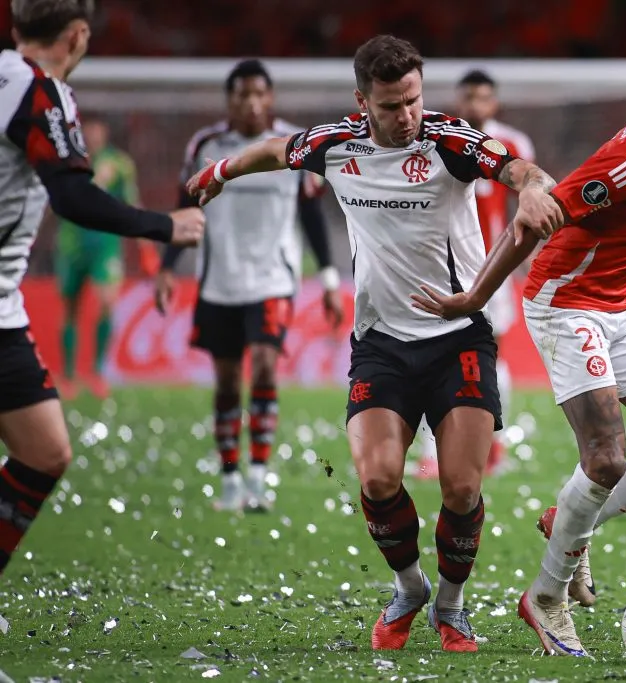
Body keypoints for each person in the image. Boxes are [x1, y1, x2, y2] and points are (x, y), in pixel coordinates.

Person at [183, 35, 561, 653]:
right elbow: (276, 150)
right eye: (390, 105)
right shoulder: (336, 145)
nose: (406, 115)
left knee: (463, 487)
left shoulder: (450, 140)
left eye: (413, 99)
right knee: (379, 478)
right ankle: (409, 588)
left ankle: (452, 604)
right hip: (381, 343)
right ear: (363, 102)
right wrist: (219, 171)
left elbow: (517, 167)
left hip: (458, 336)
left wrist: (535, 187)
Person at [411, 53, 626, 655]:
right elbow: (532, 223)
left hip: (624, 304)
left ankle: (571, 522)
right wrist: (473, 297)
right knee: (605, 461)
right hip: (565, 301)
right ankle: (545, 599)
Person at [0, 0, 203, 645]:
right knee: (43, 452)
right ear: (80, 35)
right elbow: (73, 195)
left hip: (4, 312)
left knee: (45, 450)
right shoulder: (42, 93)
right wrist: (163, 224)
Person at [156, 59, 344, 513]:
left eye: (260, 94)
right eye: (243, 95)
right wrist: (166, 266)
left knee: (262, 366)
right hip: (218, 280)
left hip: (273, 280)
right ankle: (229, 479)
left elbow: (311, 214)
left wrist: (329, 279)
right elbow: (185, 206)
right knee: (225, 381)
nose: (252, 103)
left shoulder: (294, 146)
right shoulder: (206, 144)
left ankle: (258, 479)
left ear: (271, 97)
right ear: (230, 100)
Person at [416, 69, 537, 479]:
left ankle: (493, 445)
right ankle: (431, 453)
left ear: (494, 102)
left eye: (483, 97)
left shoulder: (515, 145)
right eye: (468, 97)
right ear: (458, 100)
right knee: (429, 357)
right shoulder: (440, 142)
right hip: (438, 266)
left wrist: (523, 262)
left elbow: (525, 211)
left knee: (491, 356)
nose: (475, 105)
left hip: (491, 269)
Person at [55, 117, 155, 398]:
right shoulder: (69, 159)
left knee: (108, 302)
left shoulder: (119, 163)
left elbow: (132, 202)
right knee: (70, 309)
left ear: (105, 133)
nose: (93, 135)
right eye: (89, 130)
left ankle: (97, 372)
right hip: (72, 243)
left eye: (98, 130)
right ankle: (67, 375)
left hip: (106, 244)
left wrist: (145, 246)